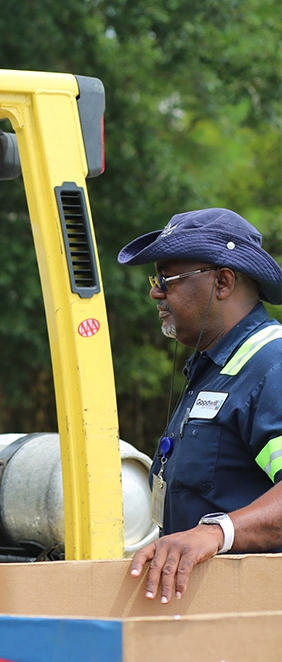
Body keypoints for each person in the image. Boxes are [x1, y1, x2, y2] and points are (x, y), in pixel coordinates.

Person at [118, 208, 282, 605]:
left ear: (223, 282)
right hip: (203, 622)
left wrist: (214, 533)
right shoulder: (213, 369)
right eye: (156, 279)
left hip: (251, 623)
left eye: (167, 279)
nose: (156, 292)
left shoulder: (271, 367)